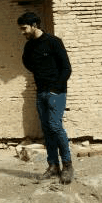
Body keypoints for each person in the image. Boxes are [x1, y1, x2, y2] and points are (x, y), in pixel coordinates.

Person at [17, 12, 74, 184]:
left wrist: (55, 89)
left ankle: (67, 166)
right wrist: (39, 72)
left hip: (56, 93)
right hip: (40, 93)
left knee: (55, 126)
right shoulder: (29, 46)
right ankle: (53, 166)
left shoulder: (53, 42)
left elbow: (66, 68)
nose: (22, 32)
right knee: (47, 130)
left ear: (34, 25)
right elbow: (26, 62)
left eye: (24, 28)